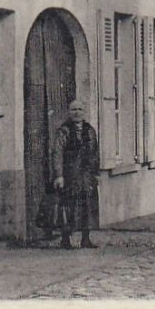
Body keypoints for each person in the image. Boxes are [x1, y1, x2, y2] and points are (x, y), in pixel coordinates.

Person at [53, 100, 100, 249]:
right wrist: (59, 175)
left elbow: (95, 153)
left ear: (84, 112)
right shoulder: (64, 131)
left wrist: (96, 173)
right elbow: (57, 153)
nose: (77, 112)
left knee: (87, 206)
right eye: (74, 109)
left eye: (80, 109)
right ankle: (65, 239)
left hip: (86, 176)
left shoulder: (90, 130)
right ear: (69, 112)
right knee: (68, 206)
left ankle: (86, 238)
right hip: (70, 175)